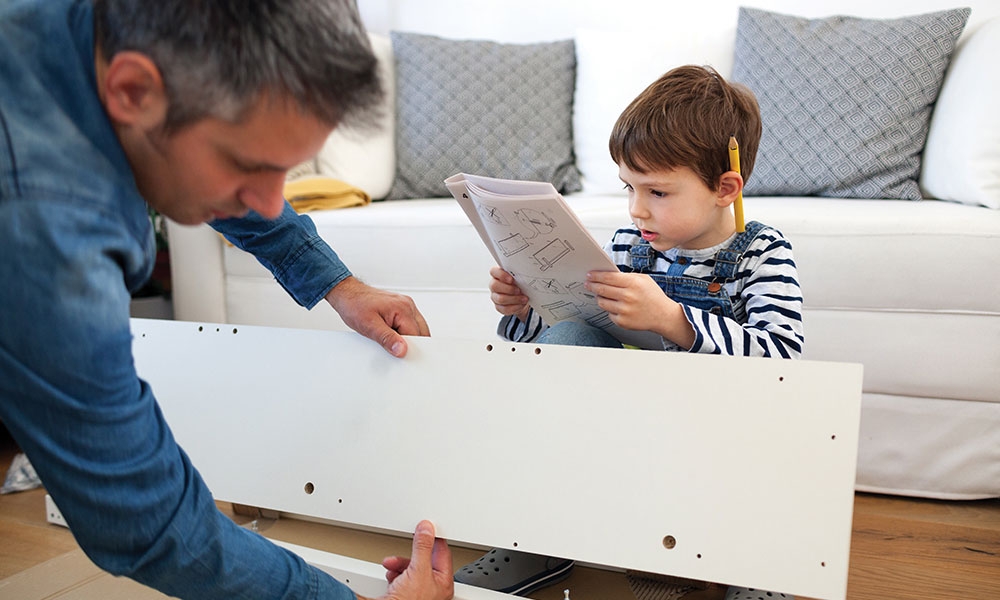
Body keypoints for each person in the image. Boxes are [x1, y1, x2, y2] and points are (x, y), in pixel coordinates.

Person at [0, 1, 453, 599]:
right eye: (247, 165)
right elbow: (145, 518)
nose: (268, 203)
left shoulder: (102, 27)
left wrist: (338, 286)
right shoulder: (48, 220)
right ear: (133, 91)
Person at [458, 65, 803, 599]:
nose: (636, 209)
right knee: (568, 337)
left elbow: (781, 361)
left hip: (717, 440)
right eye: (629, 188)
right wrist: (526, 308)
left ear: (724, 187)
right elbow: (565, 340)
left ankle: (751, 563)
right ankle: (538, 533)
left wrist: (673, 320)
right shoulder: (628, 244)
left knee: (763, 465)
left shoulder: (760, 254)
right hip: (631, 426)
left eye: (658, 192)